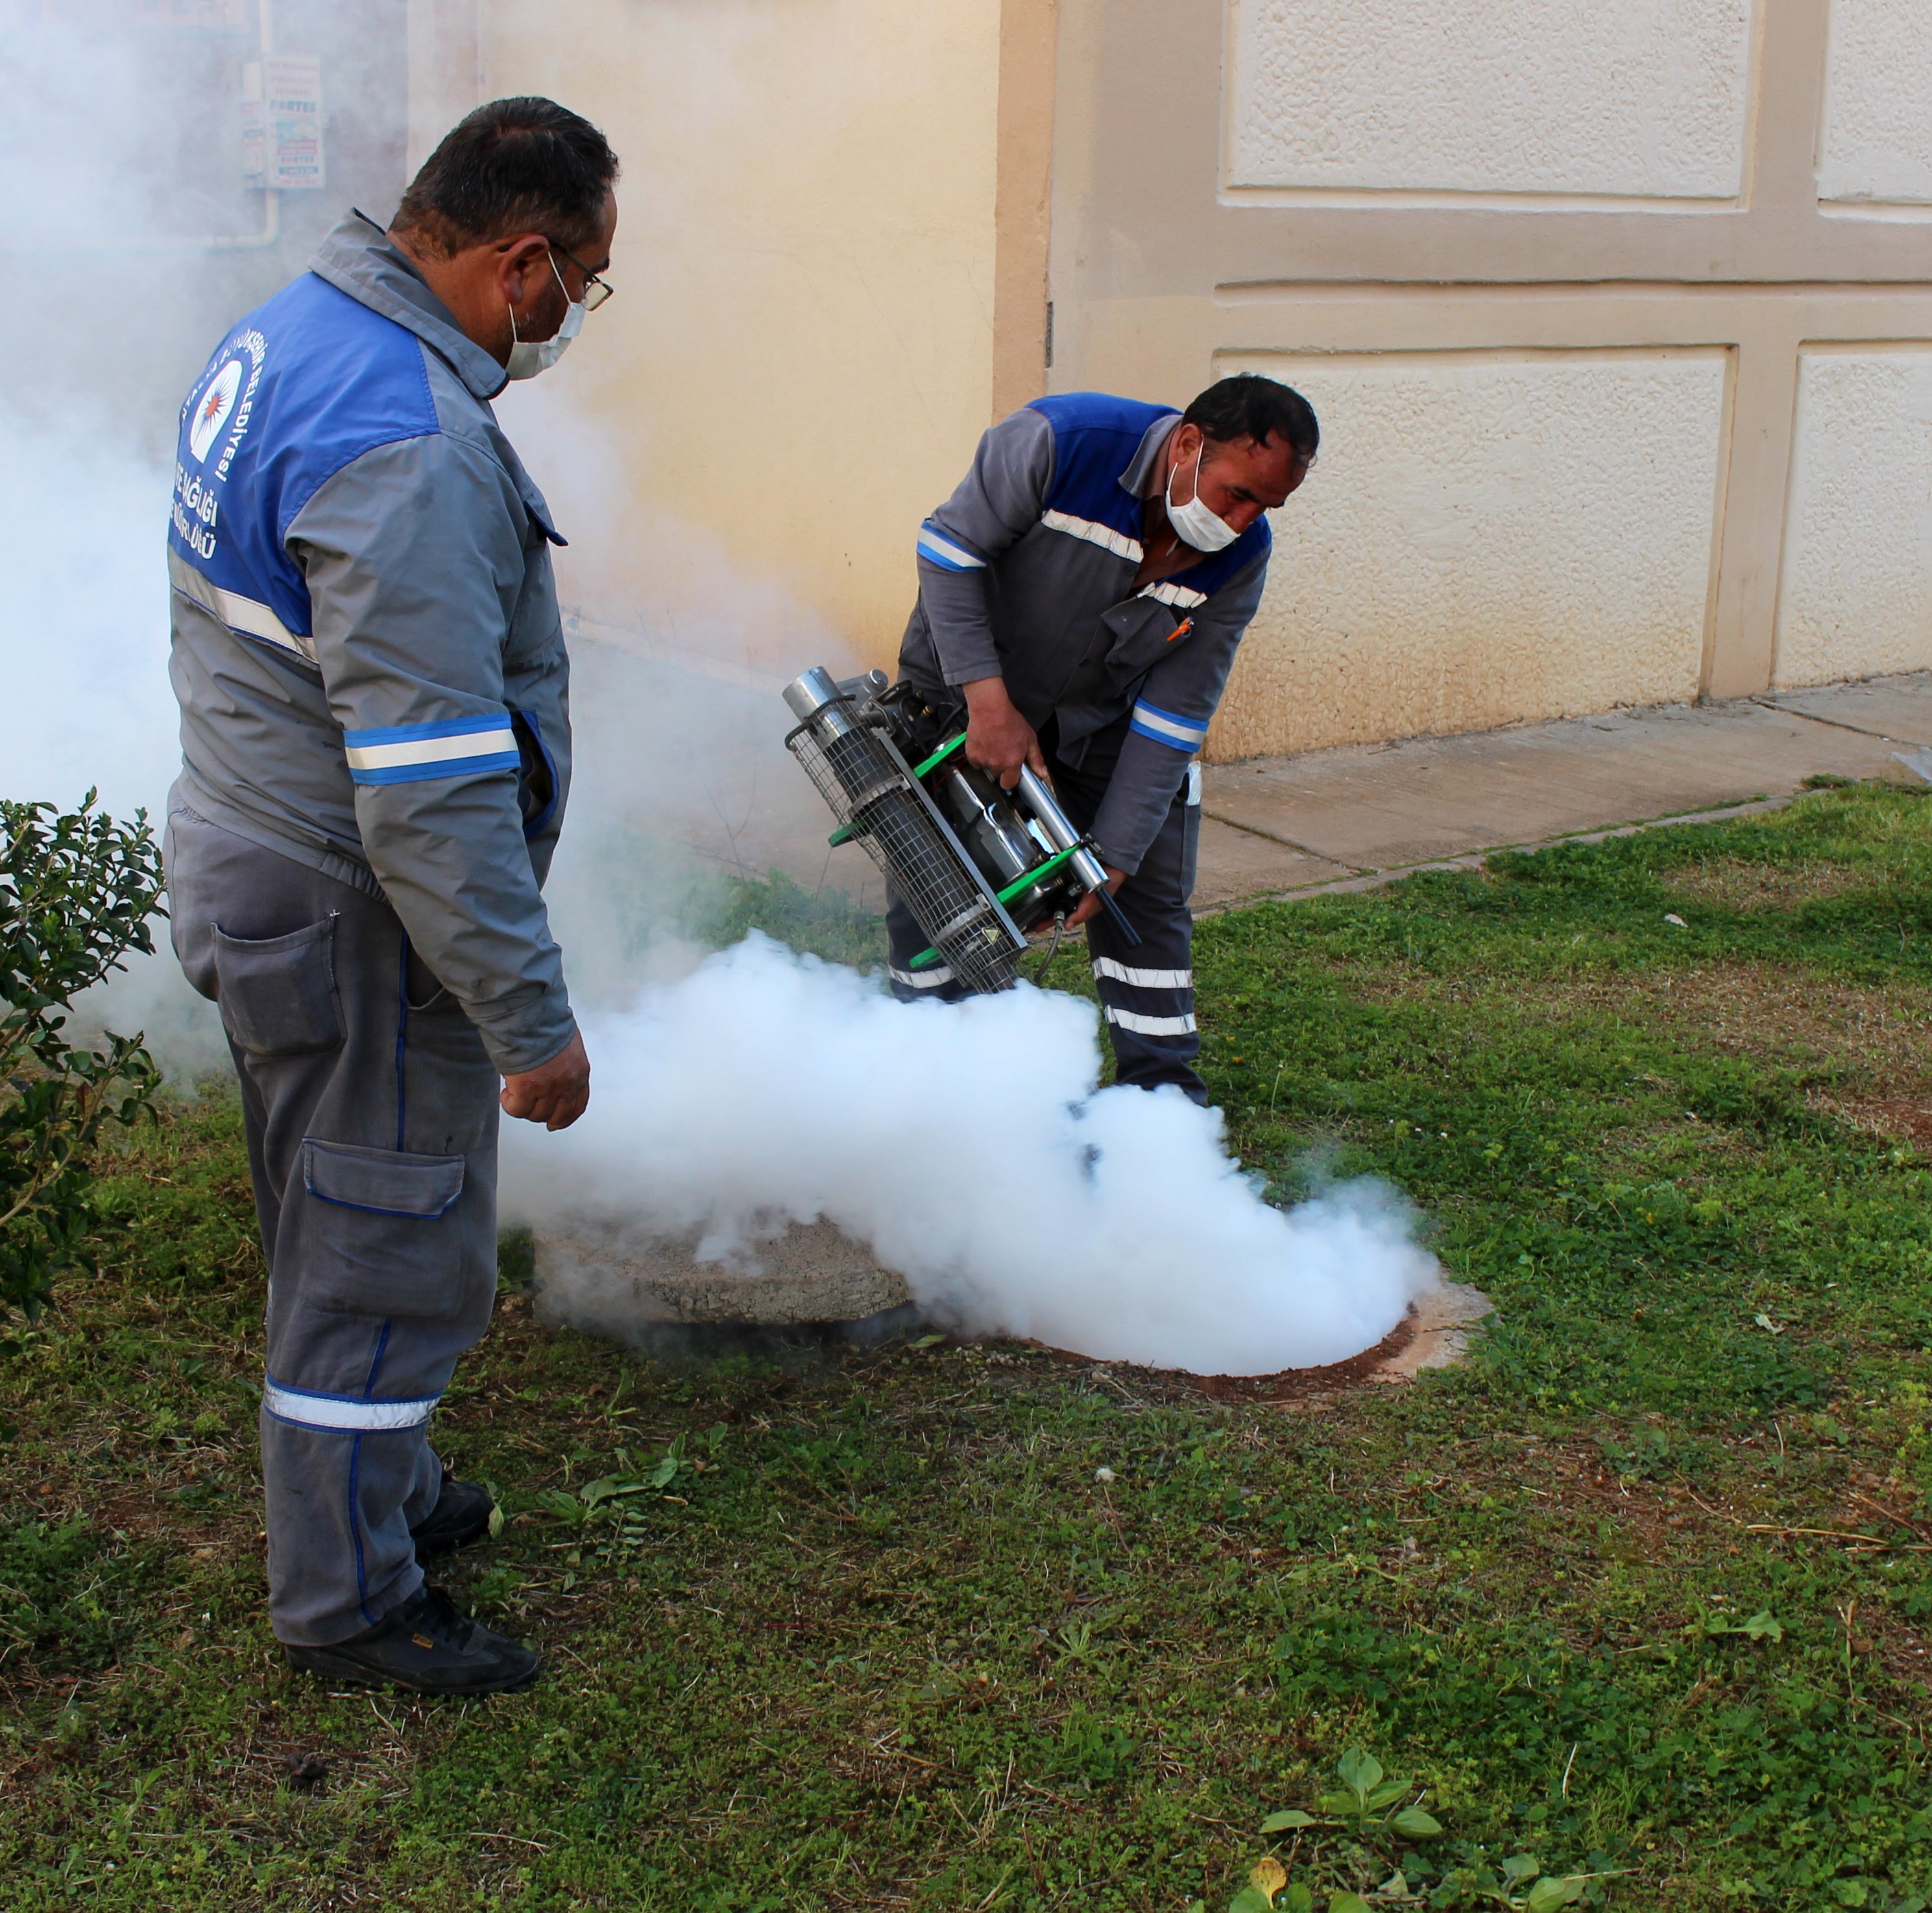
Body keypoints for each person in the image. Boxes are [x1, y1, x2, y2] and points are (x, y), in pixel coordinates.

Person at [162, 98, 618, 1696]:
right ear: (520, 261)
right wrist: (528, 1017)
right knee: (383, 1244)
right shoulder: (408, 440)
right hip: (355, 908)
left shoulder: (294, 333)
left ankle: (394, 1493)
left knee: (338, 1202)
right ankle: (352, 1599)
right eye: (588, 282)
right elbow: (428, 785)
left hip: (259, 856)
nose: (579, 314)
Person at [890, 376, 1318, 1101]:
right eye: (1236, 494)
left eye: (1266, 507)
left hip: (1104, 723)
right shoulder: (1060, 442)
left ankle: (1159, 1104)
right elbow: (949, 551)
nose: (1243, 521)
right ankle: (925, 1066)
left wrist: (1115, 854)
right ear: (1187, 444)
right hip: (968, 690)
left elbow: (1174, 717)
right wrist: (988, 706)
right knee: (940, 873)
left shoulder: (1240, 560)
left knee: (1142, 897)